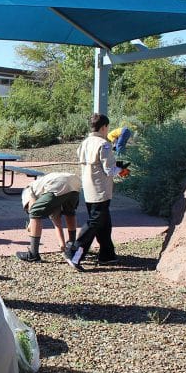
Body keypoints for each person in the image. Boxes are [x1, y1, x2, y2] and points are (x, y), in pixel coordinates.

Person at [64, 113, 130, 271]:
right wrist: (121, 168)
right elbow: (109, 170)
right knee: (94, 222)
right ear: (104, 127)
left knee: (104, 223)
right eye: (107, 127)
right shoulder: (104, 144)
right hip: (101, 190)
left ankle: (107, 255)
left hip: (88, 188)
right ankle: (75, 254)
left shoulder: (85, 142)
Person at [17, 172, 81, 262]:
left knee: (35, 213)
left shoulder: (28, 190)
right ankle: (71, 246)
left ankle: (33, 254)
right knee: (69, 212)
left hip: (58, 184)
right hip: (75, 181)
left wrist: (31, 224)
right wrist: (62, 244)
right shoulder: (47, 193)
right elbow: (56, 220)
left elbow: (32, 210)